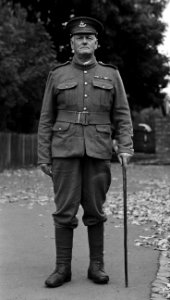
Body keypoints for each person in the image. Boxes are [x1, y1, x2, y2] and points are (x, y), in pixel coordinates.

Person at [38, 16, 134, 288]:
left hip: (98, 149)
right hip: (64, 150)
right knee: (64, 211)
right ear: (71, 44)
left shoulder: (111, 75)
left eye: (88, 38)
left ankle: (97, 266)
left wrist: (125, 146)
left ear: (96, 43)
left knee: (95, 209)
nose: (83, 41)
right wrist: (43, 155)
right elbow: (46, 117)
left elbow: (122, 115)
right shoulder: (57, 75)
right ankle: (62, 268)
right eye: (78, 38)